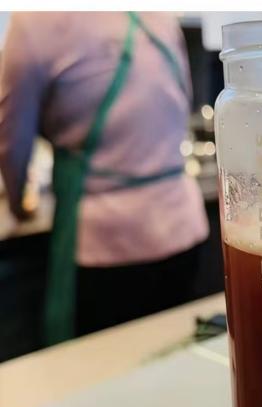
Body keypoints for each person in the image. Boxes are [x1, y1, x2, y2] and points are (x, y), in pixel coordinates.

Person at [0, 12, 208, 344]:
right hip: (183, 226)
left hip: (105, 246)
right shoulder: (158, 15)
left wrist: (18, 205)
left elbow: (11, 143)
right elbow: (182, 103)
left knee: (101, 363)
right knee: (172, 355)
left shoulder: (34, 22)